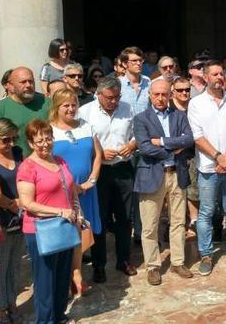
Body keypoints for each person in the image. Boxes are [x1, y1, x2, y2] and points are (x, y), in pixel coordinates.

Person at [188, 61, 226, 276]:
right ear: (205, 77)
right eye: (214, 74)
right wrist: (218, 157)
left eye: (221, 73)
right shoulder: (196, 104)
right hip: (208, 167)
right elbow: (197, 136)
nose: (219, 77)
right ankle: (206, 254)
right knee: (206, 212)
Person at [16, 119, 80, 324]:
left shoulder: (59, 161)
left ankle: (59, 315)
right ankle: (45, 320)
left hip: (64, 225)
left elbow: (71, 189)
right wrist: (60, 211)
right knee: (44, 280)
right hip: (40, 229)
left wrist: (77, 210)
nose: (45, 144)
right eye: (39, 141)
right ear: (30, 143)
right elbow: (27, 203)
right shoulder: (27, 167)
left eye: (48, 139)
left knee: (62, 275)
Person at [133, 79, 194, 284]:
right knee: (150, 225)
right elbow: (144, 148)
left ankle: (178, 262)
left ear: (170, 95)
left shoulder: (179, 115)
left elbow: (188, 139)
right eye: (156, 94)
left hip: (177, 173)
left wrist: (162, 141)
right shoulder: (141, 119)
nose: (160, 98)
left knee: (178, 221)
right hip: (152, 174)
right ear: (150, 95)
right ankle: (153, 266)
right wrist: (172, 148)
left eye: (164, 94)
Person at [78, 77, 138, 281]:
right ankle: (99, 264)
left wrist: (131, 145)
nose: (114, 101)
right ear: (99, 95)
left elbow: (137, 132)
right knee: (100, 219)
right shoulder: (86, 112)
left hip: (123, 169)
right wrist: (100, 153)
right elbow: (81, 140)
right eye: (110, 98)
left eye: (117, 97)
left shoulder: (128, 109)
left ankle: (123, 260)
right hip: (99, 172)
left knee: (124, 217)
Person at [49, 89, 103, 293]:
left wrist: (92, 179)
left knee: (82, 231)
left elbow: (98, 155)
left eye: (73, 104)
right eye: (66, 105)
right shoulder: (50, 131)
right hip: (63, 192)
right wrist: (72, 187)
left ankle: (77, 273)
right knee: (67, 231)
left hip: (87, 190)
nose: (71, 109)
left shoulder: (87, 127)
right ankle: (68, 274)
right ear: (56, 107)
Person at [0, 118, 25, 323]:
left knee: (15, 265)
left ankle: (12, 303)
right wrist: (11, 204)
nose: (10, 144)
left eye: (13, 139)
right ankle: (0, 310)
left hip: (20, 216)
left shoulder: (17, 153)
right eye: (5, 140)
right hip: (0, 216)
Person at [0, 67, 50, 156]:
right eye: (23, 82)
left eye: (31, 81)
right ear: (12, 85)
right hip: (14, 163)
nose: (28, 85)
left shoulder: (47, 103)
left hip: (45, 160)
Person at [118, 46, 151, 115]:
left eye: (140, 60)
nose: (138, 63)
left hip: (145, 125)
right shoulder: (118, 84)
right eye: (134, 61)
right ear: (124, 64)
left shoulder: (148, 82)